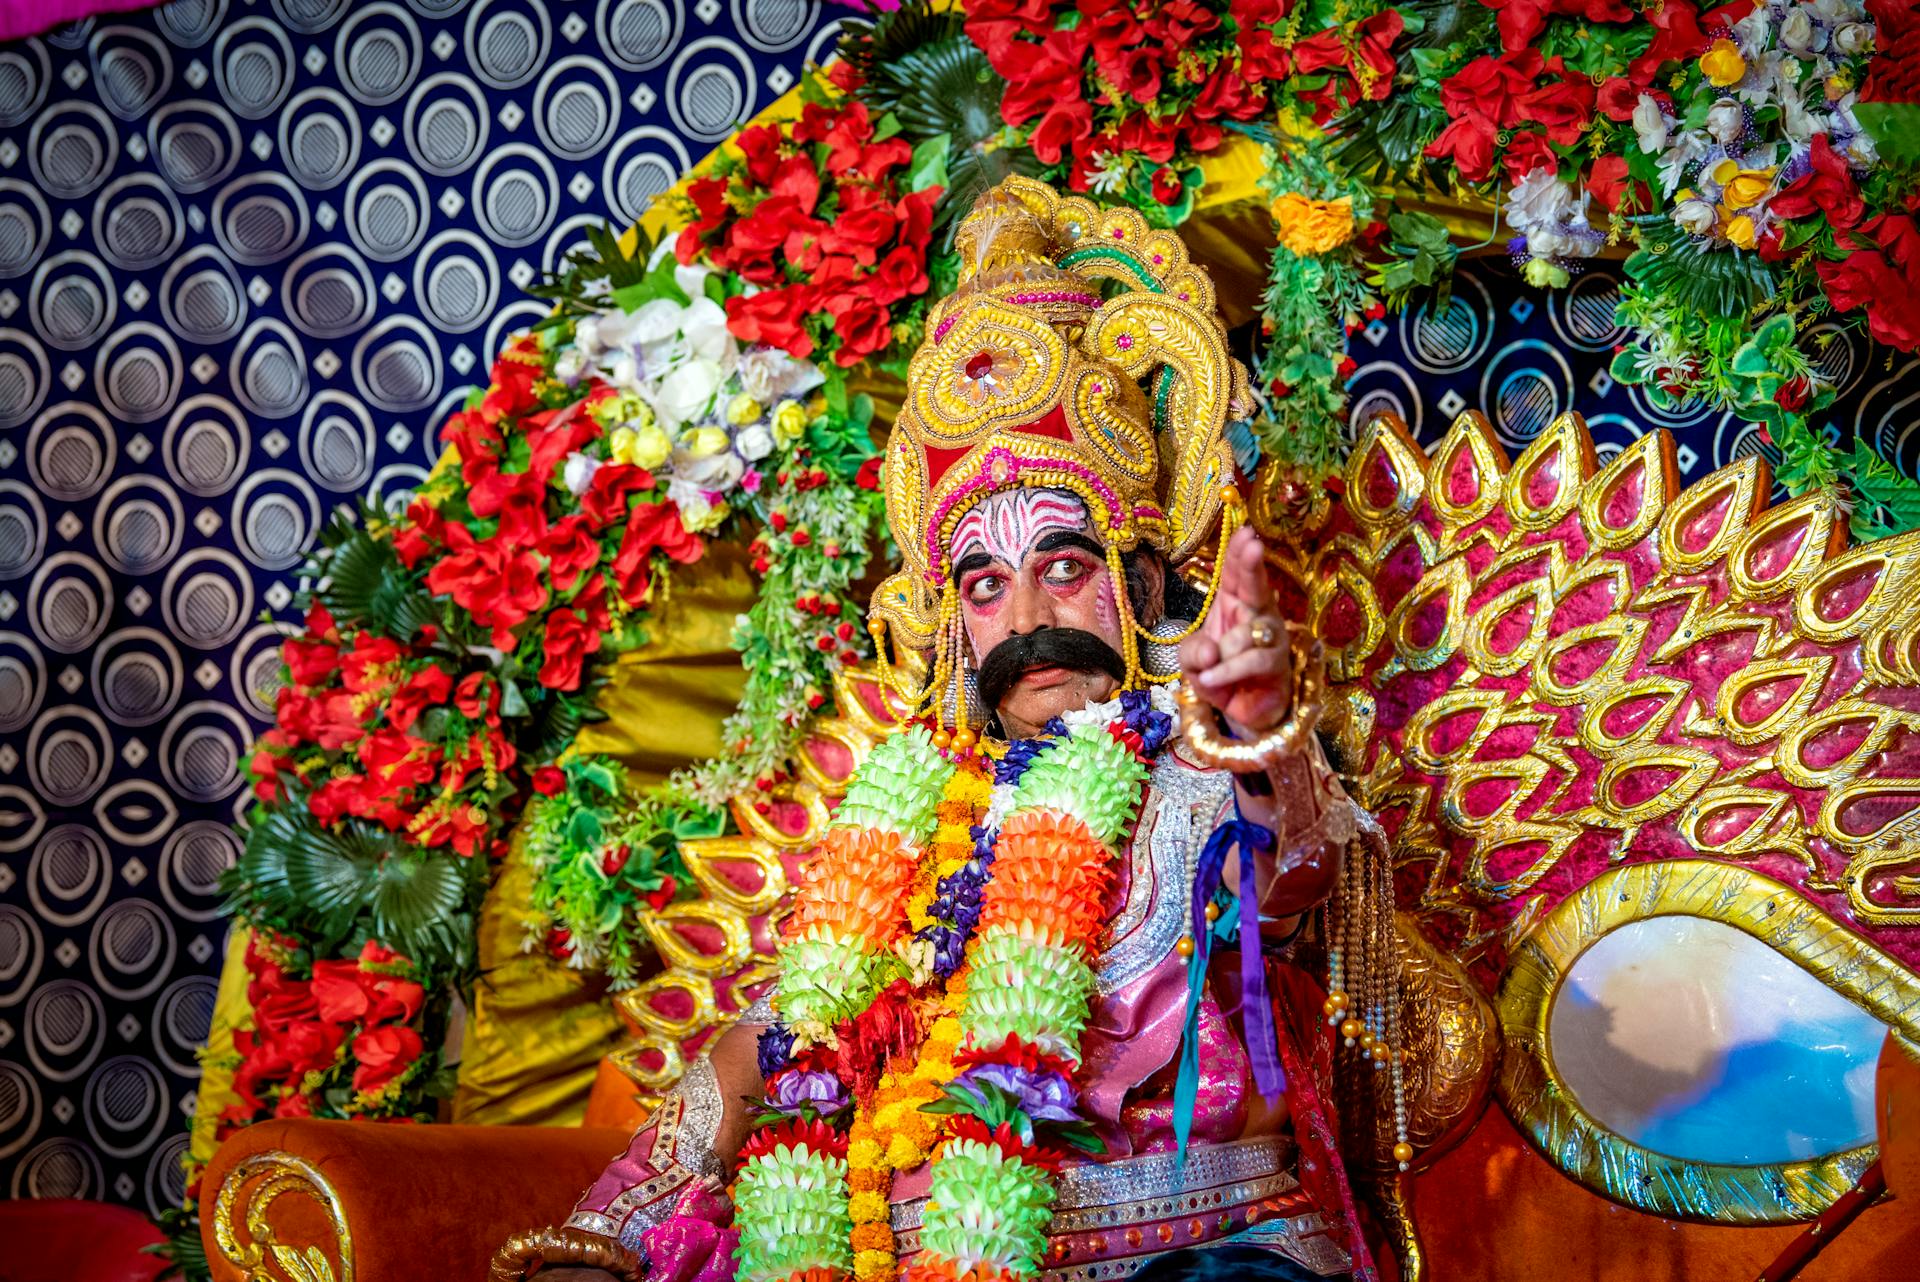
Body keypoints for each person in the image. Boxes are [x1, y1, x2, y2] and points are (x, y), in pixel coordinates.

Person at [493, 177, 1393, 1282]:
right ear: (954, 626)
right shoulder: (914, 821)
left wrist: (1259, 724)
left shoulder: (1199, 774)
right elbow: (780, 1037)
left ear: (1145, 575)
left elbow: (1290, 860)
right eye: (984, 583)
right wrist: (609, 1231)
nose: (1026, 621)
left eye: (1065, 567)